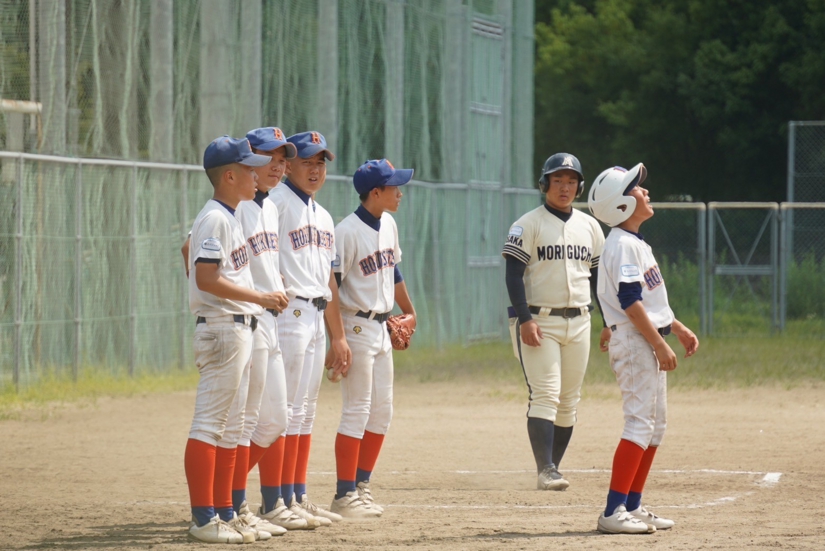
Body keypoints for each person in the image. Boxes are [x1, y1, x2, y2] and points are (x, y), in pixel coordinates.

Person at [588, 163, 699, 534]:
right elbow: (631, 302)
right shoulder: (621, 245)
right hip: (635, 342)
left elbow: (647, 303)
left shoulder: (635, 243)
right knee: (639, 423)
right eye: (637, 188)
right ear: (620, 204)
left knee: (654, 427)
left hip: (644, 338)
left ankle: (632, 506)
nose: (646, 192)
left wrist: (676, 328)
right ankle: (612, 511)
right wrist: (658, 344)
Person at [183, 136, 284, 544]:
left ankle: (225, 511)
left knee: (231, 429)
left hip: (238, 326)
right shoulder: (217, 218)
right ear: (229, 175)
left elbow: (197, 258)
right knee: (209, 426)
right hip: (223, 328)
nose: (256, 172)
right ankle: (204, 519)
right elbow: (206, 276)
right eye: (248, 167)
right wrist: (260, 296)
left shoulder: (232, 214)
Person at [501, 153, 609, 491]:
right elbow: (513, 274)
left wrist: (609, 321)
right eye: (558, 180)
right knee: (546, 392)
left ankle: (553, 469)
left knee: (570, 398)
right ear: (545, 184)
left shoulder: (589, 226)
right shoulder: (527, 223)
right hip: (539, 320)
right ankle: (545, 469)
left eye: (571, 181)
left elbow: (598, 280)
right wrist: (525, 318)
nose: (565, 187)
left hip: (580, 320)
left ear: (580, 187)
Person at [263, 130, 351, 526]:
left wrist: (339, 335)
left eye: (321, 163)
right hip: (288, 313)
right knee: (284, 411)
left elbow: (329, 280)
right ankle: (275, 502)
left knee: (305, 412)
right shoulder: (275, 202)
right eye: (307, 162)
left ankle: (295, 495)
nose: (315, 170)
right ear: (289, 166)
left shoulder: (324, 214)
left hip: (316, 314)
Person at [328, 159, 417, 518]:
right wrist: (337, 338)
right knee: (357, 410)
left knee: (382, 412)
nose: (400, 193)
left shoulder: (389, 223)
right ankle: (343, 494)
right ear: (375, 193)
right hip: (356, 326)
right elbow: (331, 285)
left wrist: (410, 309)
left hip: (381, 327)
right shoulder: (346, 231)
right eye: (394, 187)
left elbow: (393, 269)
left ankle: (361, 487)